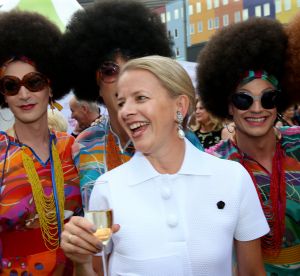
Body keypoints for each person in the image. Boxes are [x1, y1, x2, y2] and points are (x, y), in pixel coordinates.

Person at [61, 55, 269, 275]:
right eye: (121, 102)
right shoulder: (105, 189)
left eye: (140, 98)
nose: (125, 111)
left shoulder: (233, 178)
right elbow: (96, 268)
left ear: (179, 106)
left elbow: (252, 271)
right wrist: (81, 262)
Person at [59, 0, 202, 189]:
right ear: (95, 83)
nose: (123, 80)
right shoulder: (84, 145)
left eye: (134, 68)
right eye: (110, 70)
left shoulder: (179, 137)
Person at [197, 17, 300, 275]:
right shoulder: (214, 164)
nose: (257, 109)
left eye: (268, 98)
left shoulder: (298, 142)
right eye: (244, 99)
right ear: (229, 105)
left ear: (279, 102)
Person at [0, 11, 82, 275]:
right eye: (11, 86)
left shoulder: (73, 148)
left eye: (33, 82)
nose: (24, 94)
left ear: (50, 85)